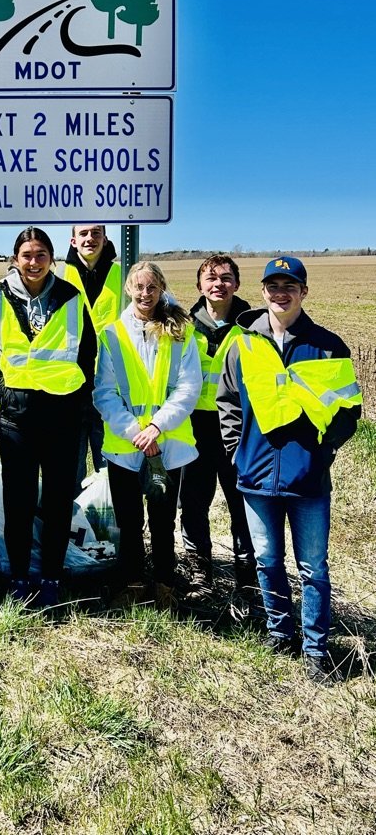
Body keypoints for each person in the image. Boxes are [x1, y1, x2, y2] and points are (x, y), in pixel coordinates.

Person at [217, 256, 361, 685]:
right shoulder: (242, 343)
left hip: (308, 477)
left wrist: (324, 450)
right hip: (255, 474)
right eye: (273, 286)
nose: (280, 293)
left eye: (290, 286)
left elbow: (349, 411)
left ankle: (316, 648)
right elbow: (227, 402)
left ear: (303, 292)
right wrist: (236, 450)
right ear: (262, 291)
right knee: (267, 560)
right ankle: (280, 634)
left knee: (313, 567)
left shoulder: (327, 345)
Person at [0, 227, 96, 608]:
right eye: (26, 254)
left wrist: (76, 399)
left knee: (60, 500)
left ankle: (50, 577)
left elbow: (87, 352)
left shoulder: (72, 298)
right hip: (17, 418)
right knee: (19, 500)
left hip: (62, 417)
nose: (33, 261)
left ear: (52, 258)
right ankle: (17, 577)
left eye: (41, 254)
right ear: (15, 259)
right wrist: (2, 393)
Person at [94, 261, 202, 609]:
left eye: (151, 287)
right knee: (128, 520)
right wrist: (135, 430)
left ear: (161, 289)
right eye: (138, 287)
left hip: (166, 444)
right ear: (128, 289)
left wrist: (158, 426)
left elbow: (189, 387)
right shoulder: (111, 334)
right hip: (125, 445)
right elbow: (104, 392)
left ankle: (165, 584)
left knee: (162, 520)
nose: (145, 294)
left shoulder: (180, 331)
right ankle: (133, 583)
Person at [178, 254, 257, 615]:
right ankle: (200, 574)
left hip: (239, 428)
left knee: (243, 501)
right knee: (194, 502)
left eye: (226, 278)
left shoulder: (254, 326)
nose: (218, 284)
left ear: (237, 284)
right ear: (199, 286)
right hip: (194, 427)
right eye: (210, 279)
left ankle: (248, 577)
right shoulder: (183, 326)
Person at [57, 224, 122, 488]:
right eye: (83, 234)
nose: (90, 239)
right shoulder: (59, 275)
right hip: (71, 384)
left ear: (105, 239)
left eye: (96, 233)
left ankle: (110, 526)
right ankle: (74, 524)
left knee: (110, 467)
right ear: (73, 240)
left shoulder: (124, 273)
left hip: (113, 384)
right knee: (69, 465)